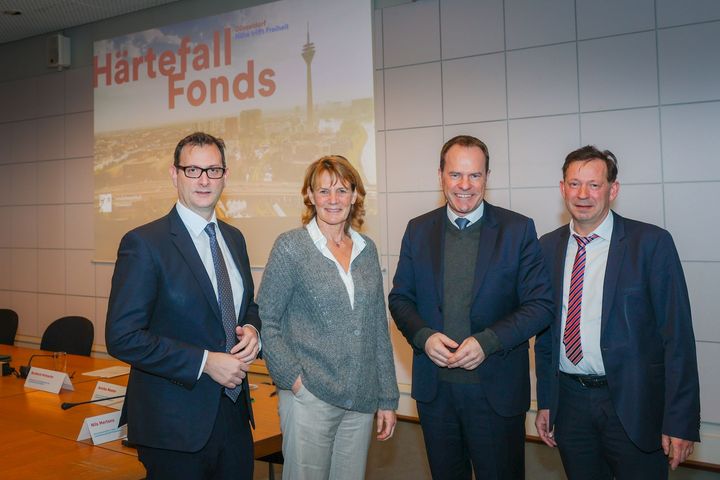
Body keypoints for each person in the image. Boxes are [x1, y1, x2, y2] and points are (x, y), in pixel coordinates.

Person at [388, 135, 554, 479]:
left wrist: (487, 342)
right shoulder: (418, 230)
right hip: (436, 395)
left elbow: (540, 305)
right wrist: (423, 336)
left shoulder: (517, 229)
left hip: (496, 393)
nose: (465, 185)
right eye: (455, 175)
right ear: (440, 176)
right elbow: (400, 298)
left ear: (487, 177)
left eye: (474, 175)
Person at [534, 145, 701, 479]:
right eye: (574, 184)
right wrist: (547, 401)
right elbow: (546, 335)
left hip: (634, 404)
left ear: (613, 189)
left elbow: (678, 338)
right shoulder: (546, 247)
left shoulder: (651, 244)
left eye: (594, 184)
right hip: (570, 405)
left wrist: (680, 420)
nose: (583, 194)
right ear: (562, 188)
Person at [106, 132, 260, 479]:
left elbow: (246, 305)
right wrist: (205, 363)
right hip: (173, 427)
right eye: (193, 170)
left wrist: (252, 328)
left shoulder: (234, 238)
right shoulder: (144, 243)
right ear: (174, 175)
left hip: (234, 419)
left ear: (225, 176)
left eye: (213, 170)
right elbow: (122, 336)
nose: (204, 180)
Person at [258, 155, 399, 480]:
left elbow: (377, 327)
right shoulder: (291, 247)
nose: (333, 200)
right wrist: (294, 380)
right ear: (309, 195)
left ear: (355, 195)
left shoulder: (367, 249)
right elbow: (267, 319)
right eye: (324, 191)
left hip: (360, 402)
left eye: (341, 190)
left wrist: (388, 398)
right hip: (310, 397)